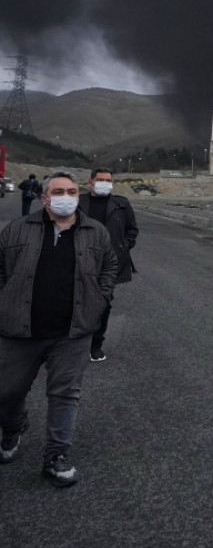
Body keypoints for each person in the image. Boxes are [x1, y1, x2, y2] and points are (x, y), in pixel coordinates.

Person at [0, 172, 118, 486]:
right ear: (44, 197)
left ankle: (56, 456)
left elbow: (109, 266)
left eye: (71, 191)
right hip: (19, 330)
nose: (65, 196)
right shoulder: (15, 230)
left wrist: (100, 299)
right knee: (6, 392)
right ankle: (13, 427)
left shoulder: (96, 232)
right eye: (57, 191)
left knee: (65, 395)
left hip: (72, 331)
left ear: (78, 196)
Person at [79, 167, 138, 362]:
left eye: (108, 180)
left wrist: (124, 246)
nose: (105, 183)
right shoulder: (79, 202)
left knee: (103, 303)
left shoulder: (121, 204)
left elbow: (132, 229)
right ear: (91, 182)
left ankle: (96, 344)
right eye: (101, 179)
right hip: (80, 259)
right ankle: (73, 342)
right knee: (75, 301)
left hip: (109, 263)